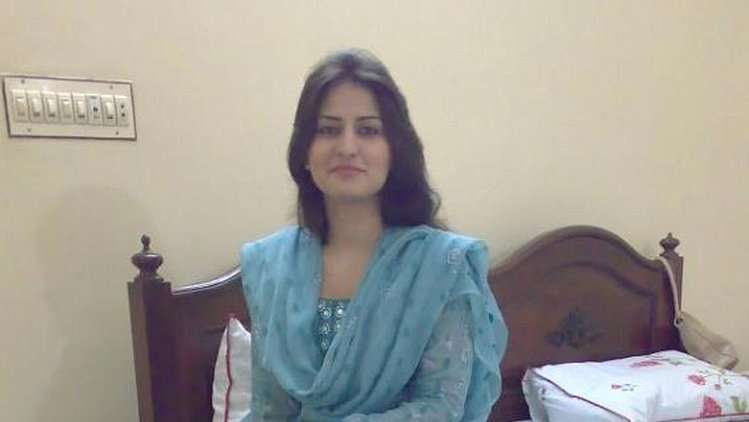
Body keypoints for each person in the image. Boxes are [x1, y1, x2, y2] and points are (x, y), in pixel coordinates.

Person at [240, 48, 507, 422]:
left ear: (394, 149)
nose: (347, 147)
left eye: (368, 130)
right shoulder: (269, 266)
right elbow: (270, 410)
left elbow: (441, 407)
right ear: (304, 152)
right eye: (328, 129)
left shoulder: (441, 267)